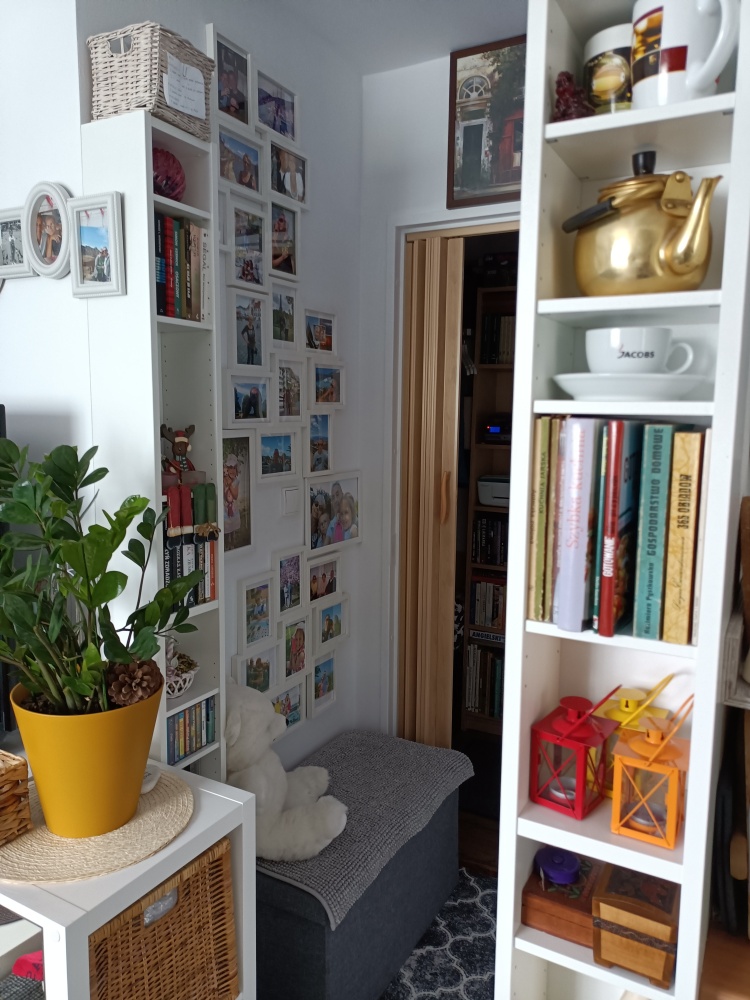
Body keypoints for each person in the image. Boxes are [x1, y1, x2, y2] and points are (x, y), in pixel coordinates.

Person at [223, 454, 241, 535]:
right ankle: (227, 538)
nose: (232, 470)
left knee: (233, 523)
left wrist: (230, 485)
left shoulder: (236, 481)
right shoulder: (223, 479)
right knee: (226, 524)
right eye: (230, 467)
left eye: (234, 468)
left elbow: (235, 496)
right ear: (226, 468)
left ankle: (233, 537)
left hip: (233, 508)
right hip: (225, 507)